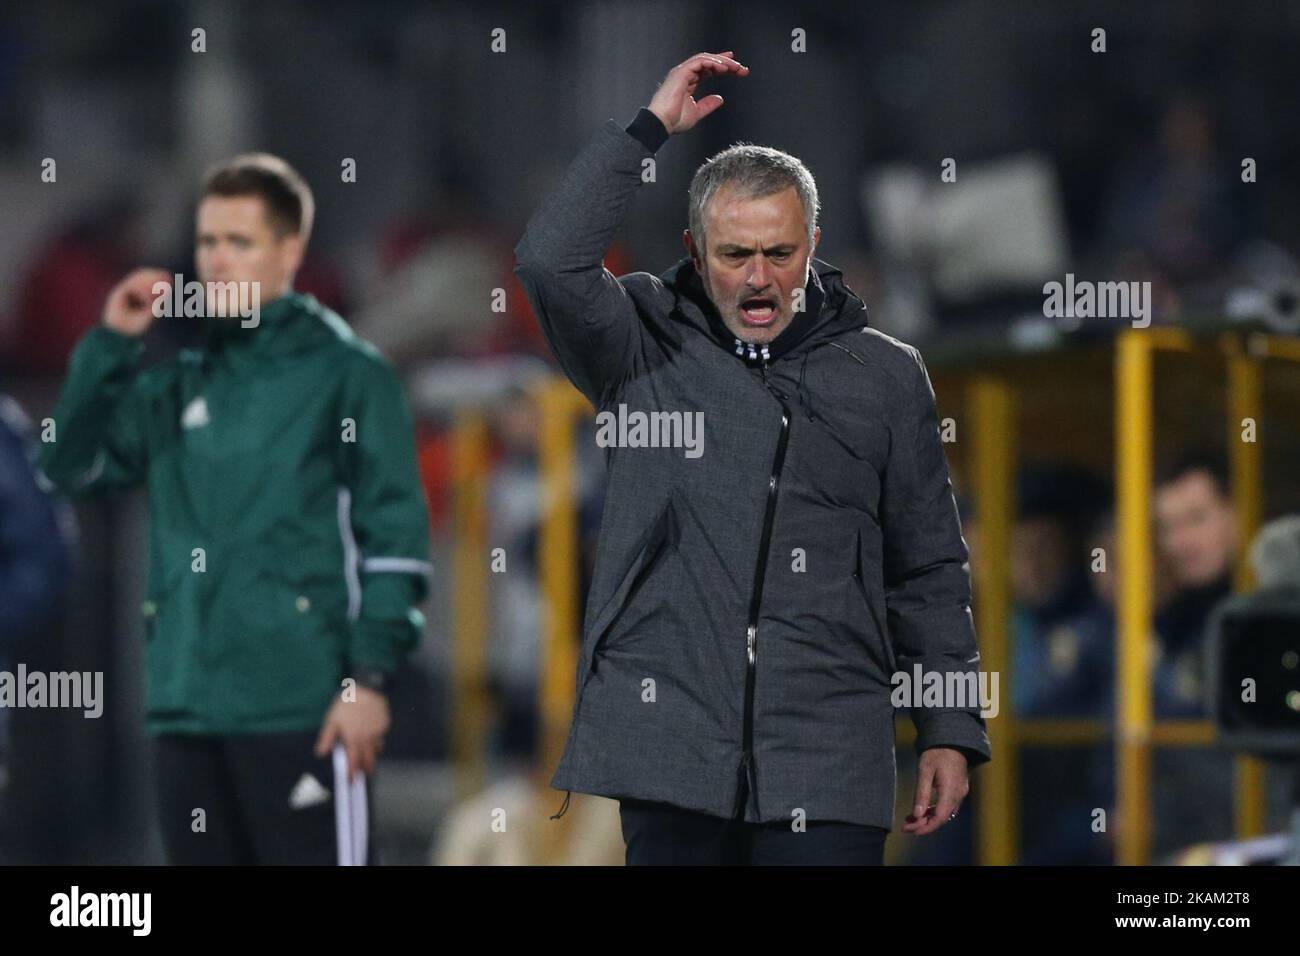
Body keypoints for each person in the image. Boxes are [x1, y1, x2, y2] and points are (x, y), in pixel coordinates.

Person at [515, 51, 990, 866]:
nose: (760, 278)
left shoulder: (886, 376)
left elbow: (929, 570)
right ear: (697, 256)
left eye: (780, 253)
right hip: (671, 755)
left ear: (814, 246)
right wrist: (647, 130)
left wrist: (949, 727)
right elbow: (548, 262)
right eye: (735, 255)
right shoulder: (639, 342)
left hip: (829, 761)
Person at [37, 154, 432, 865]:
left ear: (288, 251)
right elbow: (68, 466)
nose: (216, 261)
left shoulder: (350, 378)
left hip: (305, 711)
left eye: (239, 242)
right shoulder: (176, 385)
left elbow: (395, 544)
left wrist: (369, 682)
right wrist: (109, 347)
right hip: (187, 713)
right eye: (208, 242)